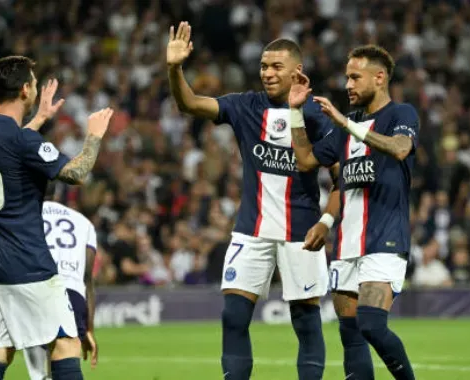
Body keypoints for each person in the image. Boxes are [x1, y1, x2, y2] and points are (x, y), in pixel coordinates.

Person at [167, 21, 337, 380]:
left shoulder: (318, 114)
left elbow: (342, 180)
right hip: (252, 229)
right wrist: (174, 68)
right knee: (233, 316)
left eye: (276, 66)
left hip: (301, 231)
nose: (268, 73)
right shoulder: (245, 105)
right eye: (263, 66)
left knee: (306, 322)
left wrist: (327, 221)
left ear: (297, 71)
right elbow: (190, 104)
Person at [0, 55, 112, 380]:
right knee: (66, 344)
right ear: (25, 90)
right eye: (33, 81)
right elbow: (76, 173)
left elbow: (10, 147)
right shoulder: (25, 140)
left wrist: (39, 118)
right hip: (26, 262)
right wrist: (95, 136)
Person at [290, 45, 418, 380]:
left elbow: (400, 149)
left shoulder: (402, 114)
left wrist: (345, 123)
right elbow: (307, 161)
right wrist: (294, 112)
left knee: (372, 325)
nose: (348, 84)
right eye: (346, 76)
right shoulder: (347, 126)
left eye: (354, 77)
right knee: (351, 336)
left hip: (385, 240)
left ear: (379, 78)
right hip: (347, 245)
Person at [24, 193, 99, 379]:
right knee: (65, 361)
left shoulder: (26, 215)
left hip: (34, 288)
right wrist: (89, 328)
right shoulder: (84, 223)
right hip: (72, 291)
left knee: (40, 365)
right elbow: (87, 278)